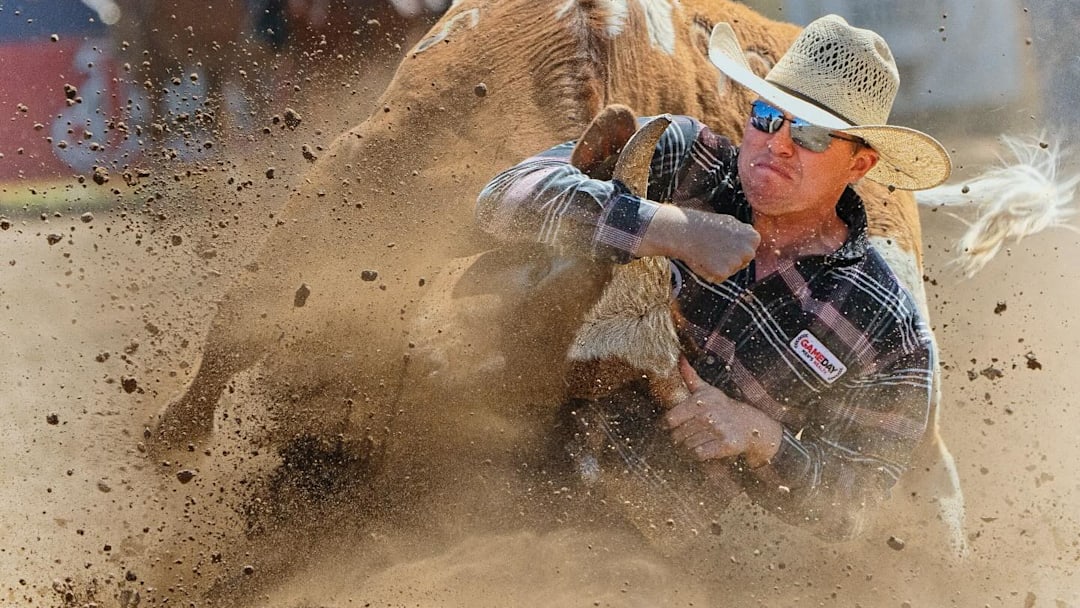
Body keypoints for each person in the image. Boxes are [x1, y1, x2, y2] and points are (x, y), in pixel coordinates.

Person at [475, 14, 951, 539]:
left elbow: (851, 509)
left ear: (859, 165)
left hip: (641, 543)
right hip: (496, 460)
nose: (779, 143)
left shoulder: (887, 328)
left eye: (811, 134)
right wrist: (669, 229)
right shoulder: (685, 160)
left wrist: (761, 436)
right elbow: (503, 197)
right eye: (767, 116)